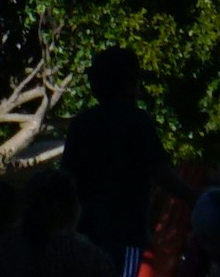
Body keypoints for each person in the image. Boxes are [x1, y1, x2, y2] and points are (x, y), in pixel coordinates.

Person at [55, 51, 170, 277]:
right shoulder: (136, 121)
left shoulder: (82, 123)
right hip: (127, 230)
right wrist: (191, 196)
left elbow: (66, 179)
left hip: (88, 229)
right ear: (128, 84)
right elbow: (160, 169)